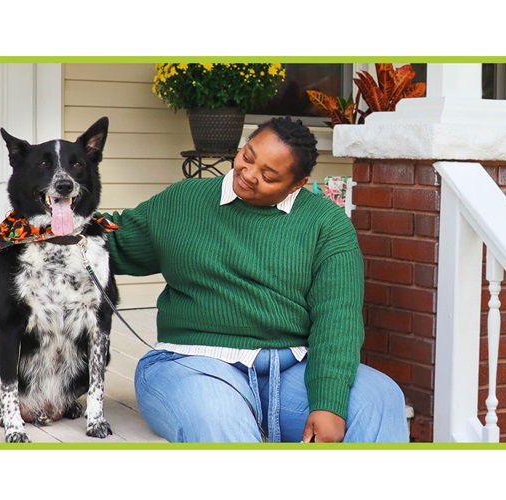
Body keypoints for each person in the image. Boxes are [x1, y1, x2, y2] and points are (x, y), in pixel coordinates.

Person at [103, 117, 408, 443]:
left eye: (268, 176)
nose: (248, 175)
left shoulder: (325, 224)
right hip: (192, 363)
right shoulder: (184, 201)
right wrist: (51, 223)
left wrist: (329, 404)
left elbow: (338, 318)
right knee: (219, 415)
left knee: (380, 397)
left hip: (292, 371)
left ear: (297, 184)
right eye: (247, 157)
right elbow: (114, 241)